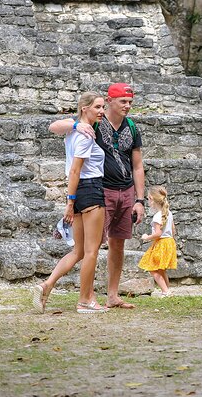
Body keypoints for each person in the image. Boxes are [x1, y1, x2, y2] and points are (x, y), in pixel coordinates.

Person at [48, 83, 145, 309]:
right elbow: (55, 126)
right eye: (123, 101)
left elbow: (138, 165)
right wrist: (75, 124)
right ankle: (87, 296)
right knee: (91, 247)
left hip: (126, 189)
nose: (128, 106)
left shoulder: (131, 127)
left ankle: (112, 295)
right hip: (101, 190)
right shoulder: (95, 124)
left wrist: (139, 200)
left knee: (116, 243)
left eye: (130, 102)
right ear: (110, 101)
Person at [33, 91, 107, 314]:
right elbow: (75, 170)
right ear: (85, 108)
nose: (102, 111)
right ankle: (85, 301)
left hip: (80, 193)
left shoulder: (73, 130)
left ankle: (46, 285)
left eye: (103, 107)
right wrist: (69, 201)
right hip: (91, 189)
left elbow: (56, 127)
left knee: (79, 251)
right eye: (97, 107)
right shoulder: (85, 134)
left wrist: (72, 200)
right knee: (92, 251)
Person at [138, 186, 177, 297]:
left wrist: (147, 237)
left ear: (151, 198)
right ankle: (167, 290)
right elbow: (173, 230)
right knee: (161, 269)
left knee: (152, 268)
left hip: (161, 243)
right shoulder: (169, 213)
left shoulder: (157, 216)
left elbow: (158, 234)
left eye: (148, 199)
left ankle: (165, 291)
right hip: (169, 242)